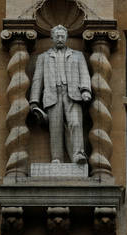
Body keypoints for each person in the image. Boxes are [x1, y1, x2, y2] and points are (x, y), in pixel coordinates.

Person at [30, 25, 92, 164]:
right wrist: (34, 101)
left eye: (62, 36)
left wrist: (86, 90)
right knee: (55, 128)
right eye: (57, 36)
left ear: (66, 38)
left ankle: (78, 154)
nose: (59, 39)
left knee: (75, 123)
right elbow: (37, 79)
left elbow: (84, 74)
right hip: (52, 95)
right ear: (52, 38)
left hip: (73, 94)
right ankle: (57, 158)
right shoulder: (43, 57)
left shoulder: (77, 55)